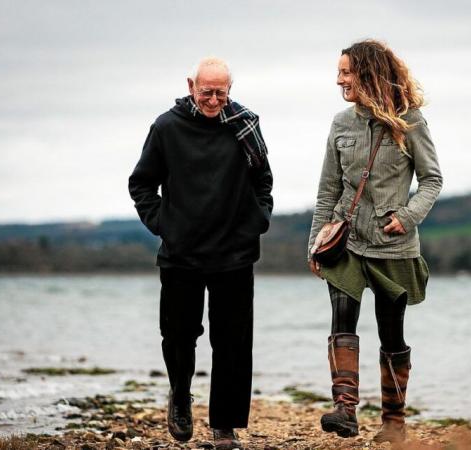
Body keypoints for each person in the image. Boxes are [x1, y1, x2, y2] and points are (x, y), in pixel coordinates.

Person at [129, 57, 273, 450]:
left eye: (221, 93)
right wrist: (165, 224)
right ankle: (179, 396)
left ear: (230, 89)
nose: (213, 100)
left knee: (232, 343)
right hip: (182, 254)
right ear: (191, 85)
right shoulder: (166, 127)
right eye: (206, 91)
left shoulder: (245, 125)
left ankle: (224, 426)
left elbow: (263, 179)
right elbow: (141, 184)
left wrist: (257, 220)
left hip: (235, 254)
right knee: (178, 336)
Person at [308, 40, 442, 443]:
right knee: (342, 317)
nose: (339, 79)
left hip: (392, 246)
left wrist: (408, 216)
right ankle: (345, 411)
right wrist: (315, 241)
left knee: (392, 334)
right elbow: (327, 189)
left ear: (367, 73)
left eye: (346, 72)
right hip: (344, 240)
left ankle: (394, 423)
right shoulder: (340, 124)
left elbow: (432, 180)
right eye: (339, 72)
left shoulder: (411, 120)